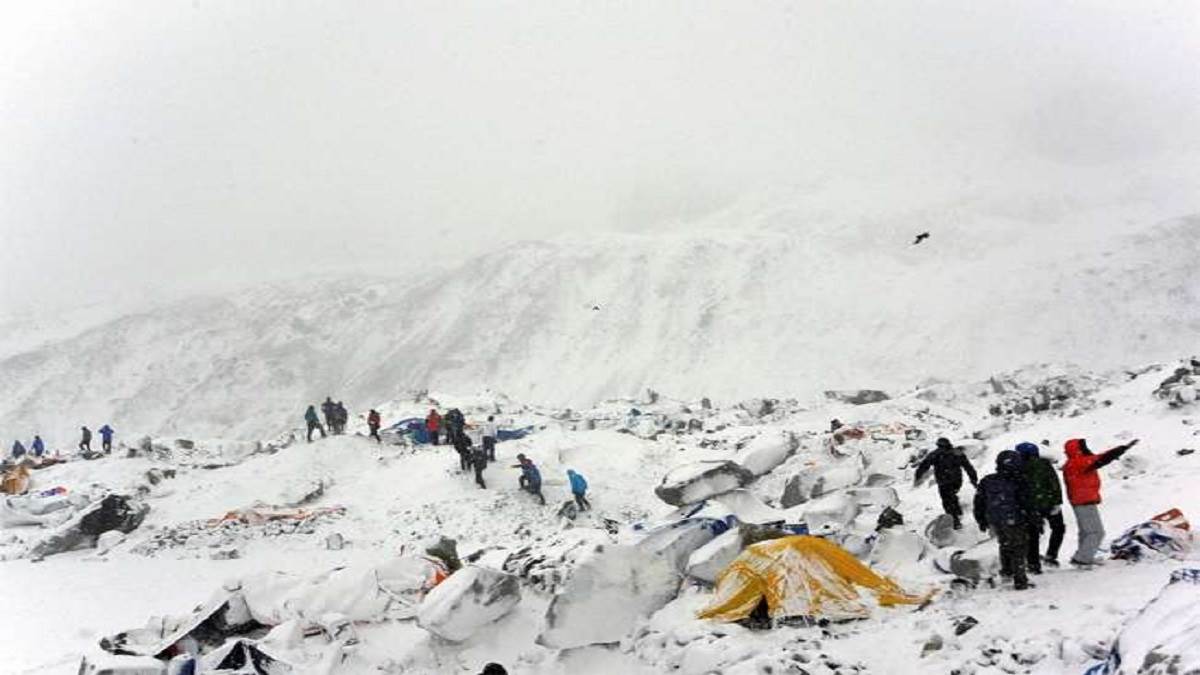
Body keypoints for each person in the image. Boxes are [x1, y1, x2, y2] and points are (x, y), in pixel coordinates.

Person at [1062, 437, 1139, 567]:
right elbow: (1102, 459)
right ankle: (1083, 559)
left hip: (1080, 500)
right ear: (1078, 449)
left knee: (1087, 532)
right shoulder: (1078, 462)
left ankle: (1083, 557)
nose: (1086, 449)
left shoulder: (1074, 462)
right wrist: (1122, 449)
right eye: (1083, 446)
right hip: (1084, 501)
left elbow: (1100, 458)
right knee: (1096, 532)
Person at [974, 450, 1036, 590]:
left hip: (996, 520)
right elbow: (1027, 502)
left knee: (1005, 544)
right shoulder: (1019, 480)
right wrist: (1033, 519)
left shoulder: (988, 480)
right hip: (1014, 518)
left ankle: (1007, 572)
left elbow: (979, 501)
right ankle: (1020, 580)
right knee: (1018, 547)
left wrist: (981, 520)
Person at [1016, 441, 1066, 569]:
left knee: (1032, 534)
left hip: (1030, 507)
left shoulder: (1017, 467)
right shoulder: (1044, 464)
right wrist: (1057, 502)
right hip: (1048, 503)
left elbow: (1017, 489)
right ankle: (1051, 555)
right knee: (1058, 528)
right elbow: (1054, 484)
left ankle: (1033, 563)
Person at [914, 437, 979, 529]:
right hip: (956, 480)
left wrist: (917, 476)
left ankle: (954, 519)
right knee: (951, 495)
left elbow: (924, 466)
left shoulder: (935, 454)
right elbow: (968, 467)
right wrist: (973, 479)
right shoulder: (957, 453)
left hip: (943, 481)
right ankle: (957, 510)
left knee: (947, 500)